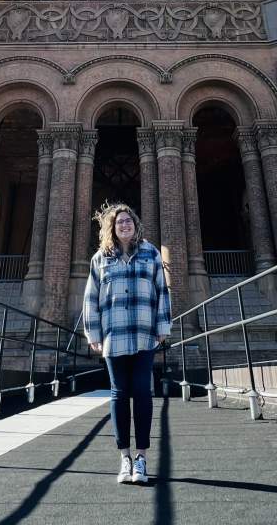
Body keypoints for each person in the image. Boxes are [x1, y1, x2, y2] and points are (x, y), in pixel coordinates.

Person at [83, 201, 172, 485]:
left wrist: (163, 326)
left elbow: (161, 290)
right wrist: (93, 333)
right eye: (119, 221)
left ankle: (142, 458)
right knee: (119, 394)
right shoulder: (101, 258)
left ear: (135, 225)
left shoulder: (151, 253)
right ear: (112, 227)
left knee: (143, 393)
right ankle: (124, 457)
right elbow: (91, 297)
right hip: (114, 335)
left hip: (144, 334)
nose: (124, 225)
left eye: (129, 221)